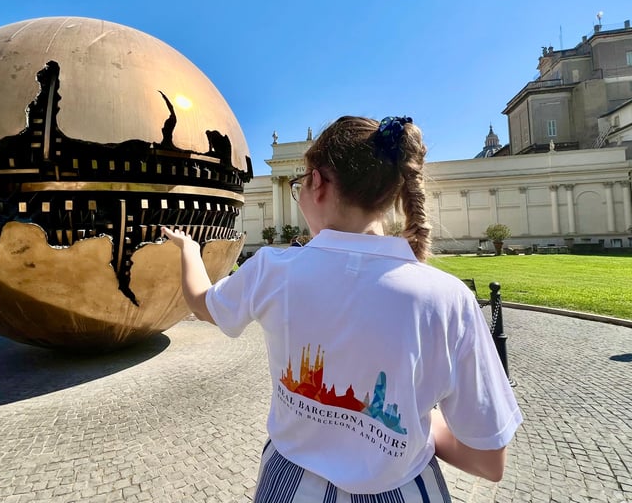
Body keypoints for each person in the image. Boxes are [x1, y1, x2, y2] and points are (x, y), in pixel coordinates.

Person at [163, 116, 521, 501]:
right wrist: (414, 423)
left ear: (317, 183)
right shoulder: (448, 298)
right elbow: (488, 460)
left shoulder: (273, 271)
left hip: (289, 487)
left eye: (300, 184)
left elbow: (202, 303)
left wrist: (188, 249)